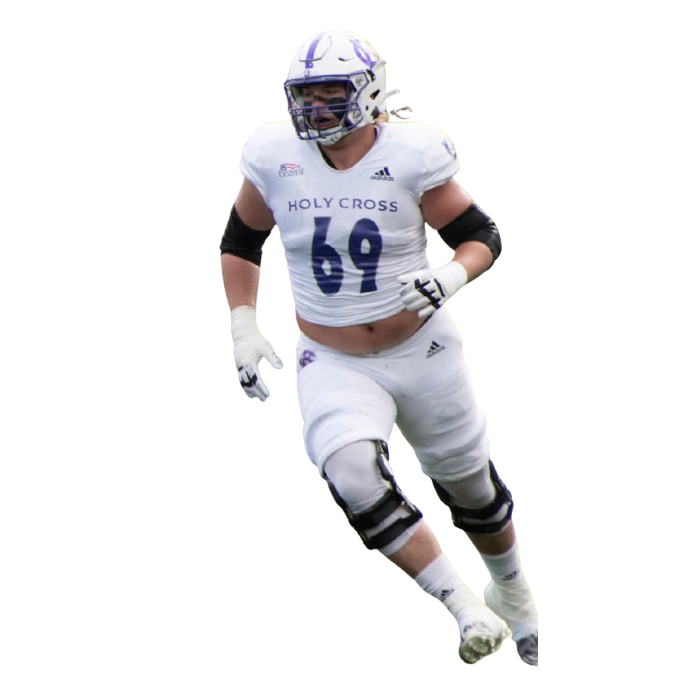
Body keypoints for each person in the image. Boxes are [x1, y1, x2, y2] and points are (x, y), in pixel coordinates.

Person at [220, 30, 538, 666]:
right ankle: (464, 608)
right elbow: (241, 239)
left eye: (330, 93)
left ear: (368, 93)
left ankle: (512, 590)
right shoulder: (273, 152)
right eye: (306, 95)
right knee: (350, 473)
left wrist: (452, 275)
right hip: (331, 356)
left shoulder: (413, 152)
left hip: (421, 348)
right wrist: (243, 325)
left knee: (469, 486)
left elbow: (481, 235)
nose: (315, 109)